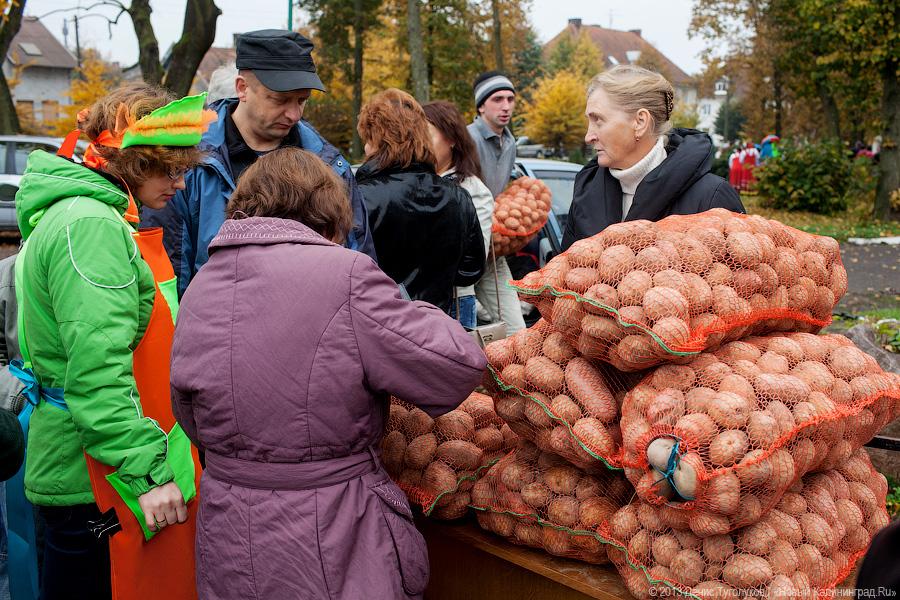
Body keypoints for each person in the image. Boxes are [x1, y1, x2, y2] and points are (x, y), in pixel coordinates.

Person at [170, 147, 486, 600]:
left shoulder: (203, 283)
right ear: (327, 210)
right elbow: (456, 366)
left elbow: (187, 410)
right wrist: (417, 310)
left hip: (228, 526)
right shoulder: (347, 274)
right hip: (330, 529)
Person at [13, 82, 210, 600]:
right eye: (170, 169)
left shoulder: (80, 215)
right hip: (93, 489)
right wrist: (147, 474)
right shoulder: (92, 228)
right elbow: (97, 368)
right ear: (133, 160)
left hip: (84, 472)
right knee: (92, 572)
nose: (181, 183)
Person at [140, 29, 376, 297]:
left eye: (302, 101)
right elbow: (167, 269)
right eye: (280, 100)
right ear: (242, 88)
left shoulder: (330, 165)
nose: (294, 114)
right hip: (214, 327)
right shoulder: (189, 162)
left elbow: (357, 264)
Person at [562, 65, 745, 250]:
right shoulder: (586, 191)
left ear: (640, 122)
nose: (588, 136)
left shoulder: (711, 198)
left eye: (598, 120)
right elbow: (562, 271)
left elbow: (742, 274)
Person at [355, 88, 483, 313]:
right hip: (435, 328)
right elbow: (469, 271)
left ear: (376, 141)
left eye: (367, 139)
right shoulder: (458, 196)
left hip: (377, 329)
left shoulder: (359, 198)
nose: (365, 147)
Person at [423, 100, 493, 328]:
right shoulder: (416, 183)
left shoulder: (474, 190)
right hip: (416, 299)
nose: (422, 145)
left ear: (452, 139)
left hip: (455, 300)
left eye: (428, 135)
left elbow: (474, 260)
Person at [466, 71, 527, 333]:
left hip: (494, 252)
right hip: (465, 251)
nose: (506, 106)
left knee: (517, 331)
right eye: (497, 99)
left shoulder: (511, 141)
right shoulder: (466, 140)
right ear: (481, 106)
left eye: (510, 99)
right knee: (462, 332)